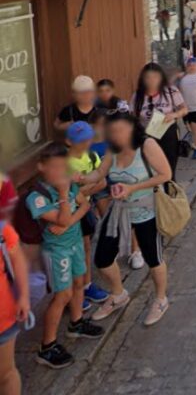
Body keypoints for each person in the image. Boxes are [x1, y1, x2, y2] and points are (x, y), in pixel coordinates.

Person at [86, 113, 171, 326]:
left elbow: (165, 174)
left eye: (122, 130)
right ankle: (118, 294)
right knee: (103, 259)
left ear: (133, 129)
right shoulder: (111, 149)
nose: (117, 135)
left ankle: (161, 299)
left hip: (146, 211)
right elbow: (100, 173)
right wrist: (82, 178)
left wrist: (132, 187)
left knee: (154, 259)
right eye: (113, 131)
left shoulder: (147, 145)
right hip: (119, 211)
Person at [27, 145, 104, 368]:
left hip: (75, 243)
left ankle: (76, 323)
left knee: (79, 281)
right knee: (63, 294)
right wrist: (63, 196)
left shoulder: (70, 186)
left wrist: (68, 220)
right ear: (42, 167)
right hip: (56, 251)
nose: (62, 172)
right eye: (56, 168)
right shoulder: (37, 197)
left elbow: (85, 204)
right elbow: (59, 219)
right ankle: (47, 346)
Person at [64, 122, 110, 306]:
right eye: (80, 141)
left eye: (87, 139)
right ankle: (72, 293)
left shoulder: (90, 155)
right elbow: (69, 195)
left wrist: (83, 190)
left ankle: (87, 285)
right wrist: (88, 188)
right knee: (72, 253)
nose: (85, 143)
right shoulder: (64, 163)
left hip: (85, 210)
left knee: (86, 247)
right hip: (68, 214)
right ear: (69, 141)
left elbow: (103, 182)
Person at [131, 63, 187, 183]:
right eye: (148, 77)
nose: (152, 81)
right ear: (143, 79)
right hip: (147, 136)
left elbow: (184, 109)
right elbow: (133, 116)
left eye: (155, 77)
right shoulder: (138, 95)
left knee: (169, 170)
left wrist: (174, 114)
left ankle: (170, 197)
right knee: (151, 170)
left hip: (168, 134)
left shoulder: (170, 91)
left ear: (161, 78)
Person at [0, 185, 30, 392]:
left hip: (3, 315)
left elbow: (17, 257)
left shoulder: (2, 230)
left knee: (6, 373)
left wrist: (24, 297)